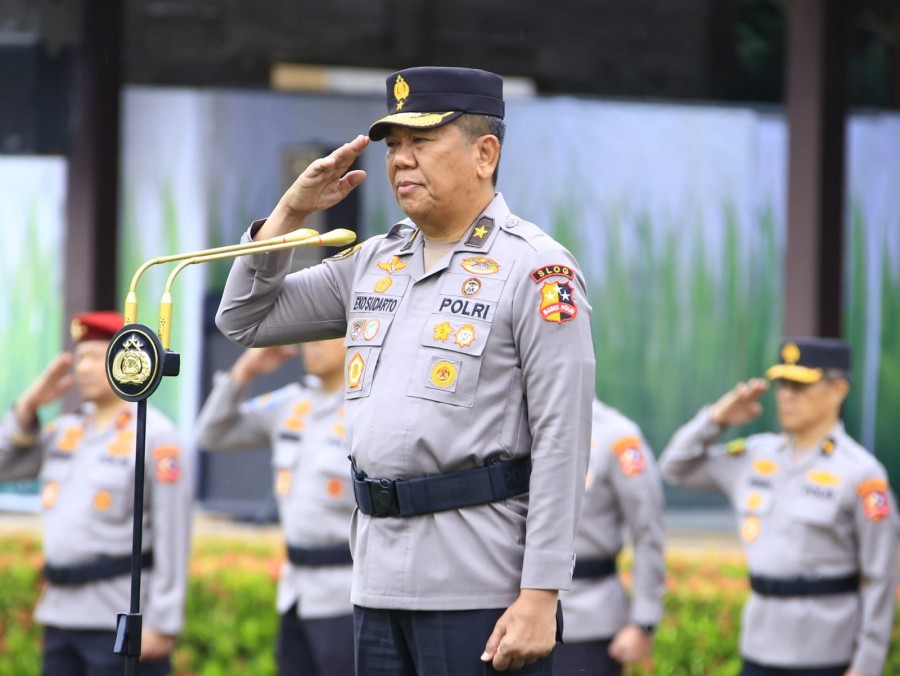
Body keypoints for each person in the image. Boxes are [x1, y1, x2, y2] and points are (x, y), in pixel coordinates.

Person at [215, 66, 596, 674]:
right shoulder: (373, 261)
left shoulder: (537, 270)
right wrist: (290, 213)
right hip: (375, 579)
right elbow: (244, 319)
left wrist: (541, 593)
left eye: (421, 142)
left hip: (481, 586)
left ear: (485, 154)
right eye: (394, 146)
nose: (401, 161)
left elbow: (562, 441)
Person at [659, 337, 898, 676]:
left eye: (801, 385)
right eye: (783, 384)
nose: (786, 395)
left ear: (838, 390)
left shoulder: (861, 473)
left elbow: (880, 577)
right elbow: (674, 468)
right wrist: (716, 419)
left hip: (825, 658)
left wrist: (867, 665)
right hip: (759, 651)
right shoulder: (755, 455)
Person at [0, 311, 193, 675]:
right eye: (80, 357)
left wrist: (163, 622)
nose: (84, 368)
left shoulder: (155, 437)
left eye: (97, 356)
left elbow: (174, 534)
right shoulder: (66, 430)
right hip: (60, 613)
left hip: (118, 617)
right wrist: (26, 407)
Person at [194, 338, 355, 676]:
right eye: (308, 334)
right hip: (295, 593)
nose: (311, 343)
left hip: (346, 596)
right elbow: (210, 434)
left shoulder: (366, 408)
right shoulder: (293, 403)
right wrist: (244, 371)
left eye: (325, 333)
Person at [556, 398, 665, 676]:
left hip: (585, 622)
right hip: (509, 616)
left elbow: (648, 532)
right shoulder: (513, 423)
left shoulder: (616, 436)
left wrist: (644, 622)